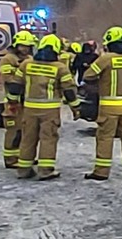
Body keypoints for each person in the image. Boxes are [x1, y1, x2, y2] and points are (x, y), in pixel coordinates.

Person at [15, 34, 77, 180]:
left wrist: (12, 102)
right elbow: (69, 91)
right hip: (50, 110)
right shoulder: (60, 68)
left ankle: (24, 169)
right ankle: (45, 170)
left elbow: (15, 85)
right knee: (48, 138)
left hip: (29, 109)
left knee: (28, 138)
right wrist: (75, 108)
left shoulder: (26, 64)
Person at [83, 27, 122, 180]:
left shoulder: (106, 59)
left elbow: (88, 75)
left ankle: (101, 171)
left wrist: (100, 82)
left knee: (105, 137)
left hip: (109, 105)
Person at [0, 29, 36, 169]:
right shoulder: (7, 59)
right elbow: (9, 79)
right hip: (13, 100)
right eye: (22, 46)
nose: (25, 49)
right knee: (13, 130)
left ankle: (23, 156)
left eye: (28, 46)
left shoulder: (29, 59)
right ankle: (10, 159)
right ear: (16, 45)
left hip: (26, 99)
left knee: (25, 131)